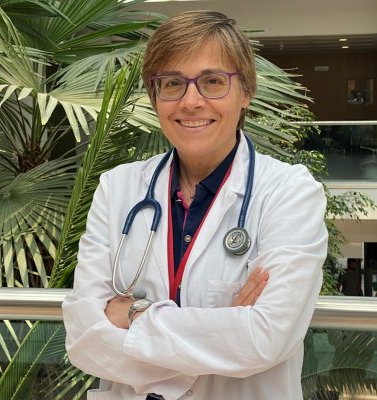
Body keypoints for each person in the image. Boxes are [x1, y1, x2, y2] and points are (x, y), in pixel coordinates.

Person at [62, 10, 328, 400]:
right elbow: (84, 339)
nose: (191, 101)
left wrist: (132, 315)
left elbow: (265, 338)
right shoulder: (117, 188)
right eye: (172, 83)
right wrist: (224, 329)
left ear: (246, 92)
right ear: (155, 98)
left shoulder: (290, 192)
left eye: (213, 81)